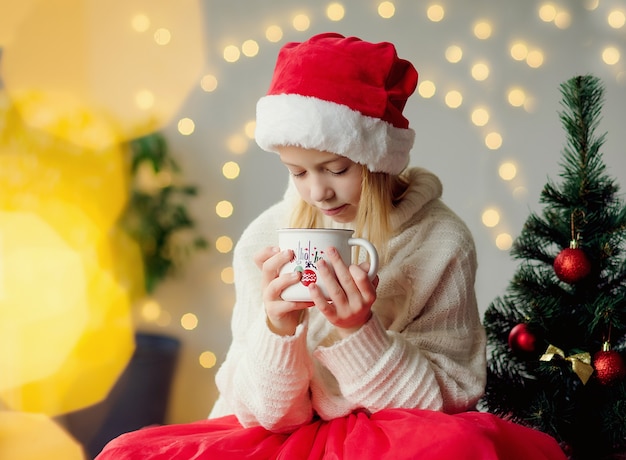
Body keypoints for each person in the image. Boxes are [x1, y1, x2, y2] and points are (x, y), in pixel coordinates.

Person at [96, 32, 566, 459]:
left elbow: (442, 403)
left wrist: (360, 332)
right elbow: (264, 415)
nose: (318, 192)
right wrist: (278, 330)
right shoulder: (265, 237)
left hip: (392, 437)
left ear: (377, 158)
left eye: (336, 170)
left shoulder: (442, 241)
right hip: (279, 436)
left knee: (459, 447)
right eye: (297, 172)